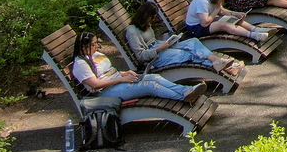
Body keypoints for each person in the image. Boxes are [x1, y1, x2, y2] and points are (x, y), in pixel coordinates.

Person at [71, 31, 204, 105]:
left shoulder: (96, 54)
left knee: (154, 77)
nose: (97, 47)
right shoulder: (81, 64)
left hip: (117, 82)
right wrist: (121, 80)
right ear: (83, 47)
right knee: (150, 85)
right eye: (94, 45)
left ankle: (187, 91)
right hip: (106, 92)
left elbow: (108, 71)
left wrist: (123, 73)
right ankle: (183, 97)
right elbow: (95, 84)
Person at [126, 2, 243, 76]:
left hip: (160, 48)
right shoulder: (132, 31)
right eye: (152, 17)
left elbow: (153, 41)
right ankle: (227, 67)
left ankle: (217, 61)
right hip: (155, 58)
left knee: (193, 42)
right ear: (145, 15)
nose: (153, 20)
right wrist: (158, 49)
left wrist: (164, 43)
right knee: (186, 54)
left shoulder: (146, 25)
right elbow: (141, 56)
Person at [184, 0, 270, 41]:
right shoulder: (202, 2)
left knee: (232, 18)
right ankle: (253, 35)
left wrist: (235, 14)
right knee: (223, 25)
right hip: (195, 28)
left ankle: (256, 29)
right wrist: (216, 11)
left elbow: (221, 11)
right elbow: (204, 23)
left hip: (206, 22)